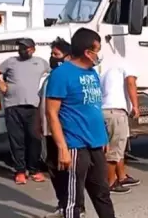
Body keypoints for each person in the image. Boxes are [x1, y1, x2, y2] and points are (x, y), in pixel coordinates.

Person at [45, 28, 116, 218]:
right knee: (73, 201)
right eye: (97, 50)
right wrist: (62, 148)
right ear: (87, 52)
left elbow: (94, 107)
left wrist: (103, 137)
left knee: (102, 193)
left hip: (96, 143)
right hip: (75, 146)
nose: (98, 55)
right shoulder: (61, 74)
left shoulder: (92, 73)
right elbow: (52, 113)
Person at [0, 38, 49, 184]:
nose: (22, 50)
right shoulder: (11, 61)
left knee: (35, 139)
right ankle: (20, 171)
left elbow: (52, 74)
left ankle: (34, 170)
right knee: (17, 140)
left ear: (33, 49)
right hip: (13, 106)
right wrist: (0, 84)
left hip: (33, 107)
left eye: (25, 48)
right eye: (20, 47)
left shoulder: (41, 62)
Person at [37, 37, 74, 218]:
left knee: (67, 172)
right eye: (52, 54)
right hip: (47, 132)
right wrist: (39, 125)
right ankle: (63, 204)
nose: (53, 58)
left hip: (63, 133)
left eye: (56, 54)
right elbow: (41, 104)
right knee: (53, 169)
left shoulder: (68, 77)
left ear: (67, 57)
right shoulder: (48, 79)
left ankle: (74, 207)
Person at [100, 60, 141, 194]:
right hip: (116, 112)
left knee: (118, 147)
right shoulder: (128, 67)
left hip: (105, 111)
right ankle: (110, 183)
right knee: (114, 149)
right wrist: (135, 106)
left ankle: (121, 176)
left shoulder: (106, 70)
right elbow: (130, 83)